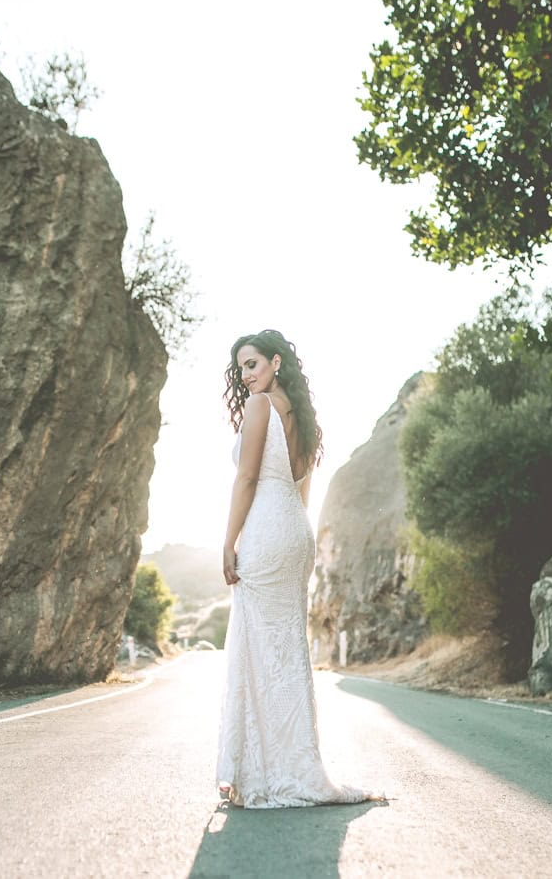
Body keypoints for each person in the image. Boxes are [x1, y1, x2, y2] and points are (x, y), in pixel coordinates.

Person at [216, 329, 384, 808]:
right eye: (241, 369)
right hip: (295, 532)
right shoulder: (305, 420)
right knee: (285, 653)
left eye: (252, 365)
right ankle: (288, 768)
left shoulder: (261, 408)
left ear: (275, 362)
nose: (246, 376)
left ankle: (263, 774)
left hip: (268, 531)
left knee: (258, 649)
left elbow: (247, 478)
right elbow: (303, 492)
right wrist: (298, 542)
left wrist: (229, 541)